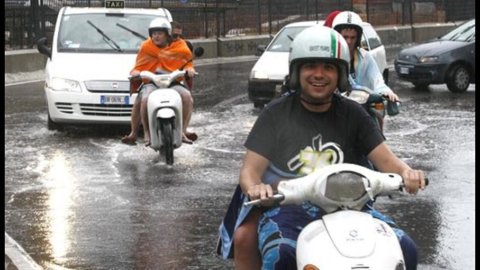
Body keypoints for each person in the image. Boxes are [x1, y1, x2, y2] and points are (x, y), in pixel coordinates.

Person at [217, 25, 426, 270]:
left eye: (328, 67)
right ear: (297, 71)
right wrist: (256, 188)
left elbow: (387, 162)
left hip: (349, 206)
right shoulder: (275, 114)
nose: (319, 74)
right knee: (280, 255)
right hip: (288, 207)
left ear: (341, 74)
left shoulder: (354, 114)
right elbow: (250, 171)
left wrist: (408, 173)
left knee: (405, 248)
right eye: (310, 66)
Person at [121, 18, 197, 146]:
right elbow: (138, 67)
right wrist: (136, 73)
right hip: (151, 82)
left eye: (160, 33)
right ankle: (143, 133)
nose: (156, 36)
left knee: (187, 97)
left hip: (172, 82)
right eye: (154, 33)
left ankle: (183, 131)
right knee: (143, 99)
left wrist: (190, 70)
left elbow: (188, 64)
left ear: (167, 34)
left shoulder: (180, 45)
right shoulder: (146, 46)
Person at [331, 11, 399, 102]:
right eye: (345, 37)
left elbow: (377, 80)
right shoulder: (331, 58)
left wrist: (386, 92)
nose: (349, 42)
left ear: (358, 38)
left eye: (353, 37)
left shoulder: (365, 57)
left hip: (362, 108)